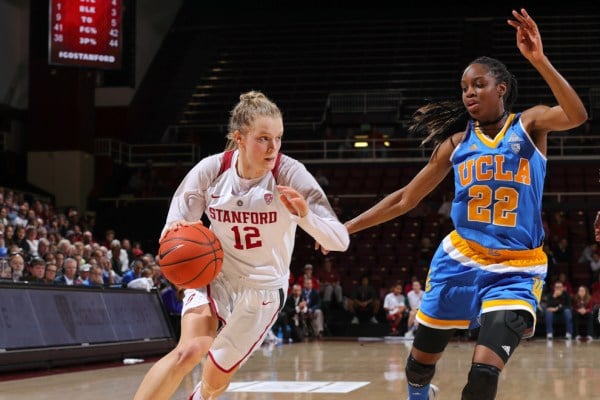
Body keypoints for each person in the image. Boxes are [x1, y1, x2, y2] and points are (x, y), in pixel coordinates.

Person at [341, 9, 587, 400]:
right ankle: (420, 391)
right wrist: (346, 228)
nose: (469, 93)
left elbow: (577, 115)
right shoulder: (455, 146)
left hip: (516, 269)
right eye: (464, 88)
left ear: (501, 88)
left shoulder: (531, 125)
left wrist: (539, 60)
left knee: (485, 375)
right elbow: (406, 198)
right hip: (460, 260)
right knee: (420, 364)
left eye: (478, 84)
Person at [133, 91, 349, 400]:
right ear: (239, 138)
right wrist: (176, 234)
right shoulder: (210, 170)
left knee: (213, 381)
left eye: (278, 138)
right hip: (216, 273)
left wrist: (305, 215)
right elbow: (174, 229)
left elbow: (339, 241)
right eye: (263, 138)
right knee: (190, 350)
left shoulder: (290, 174)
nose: (273, 147)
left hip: (264, 289)